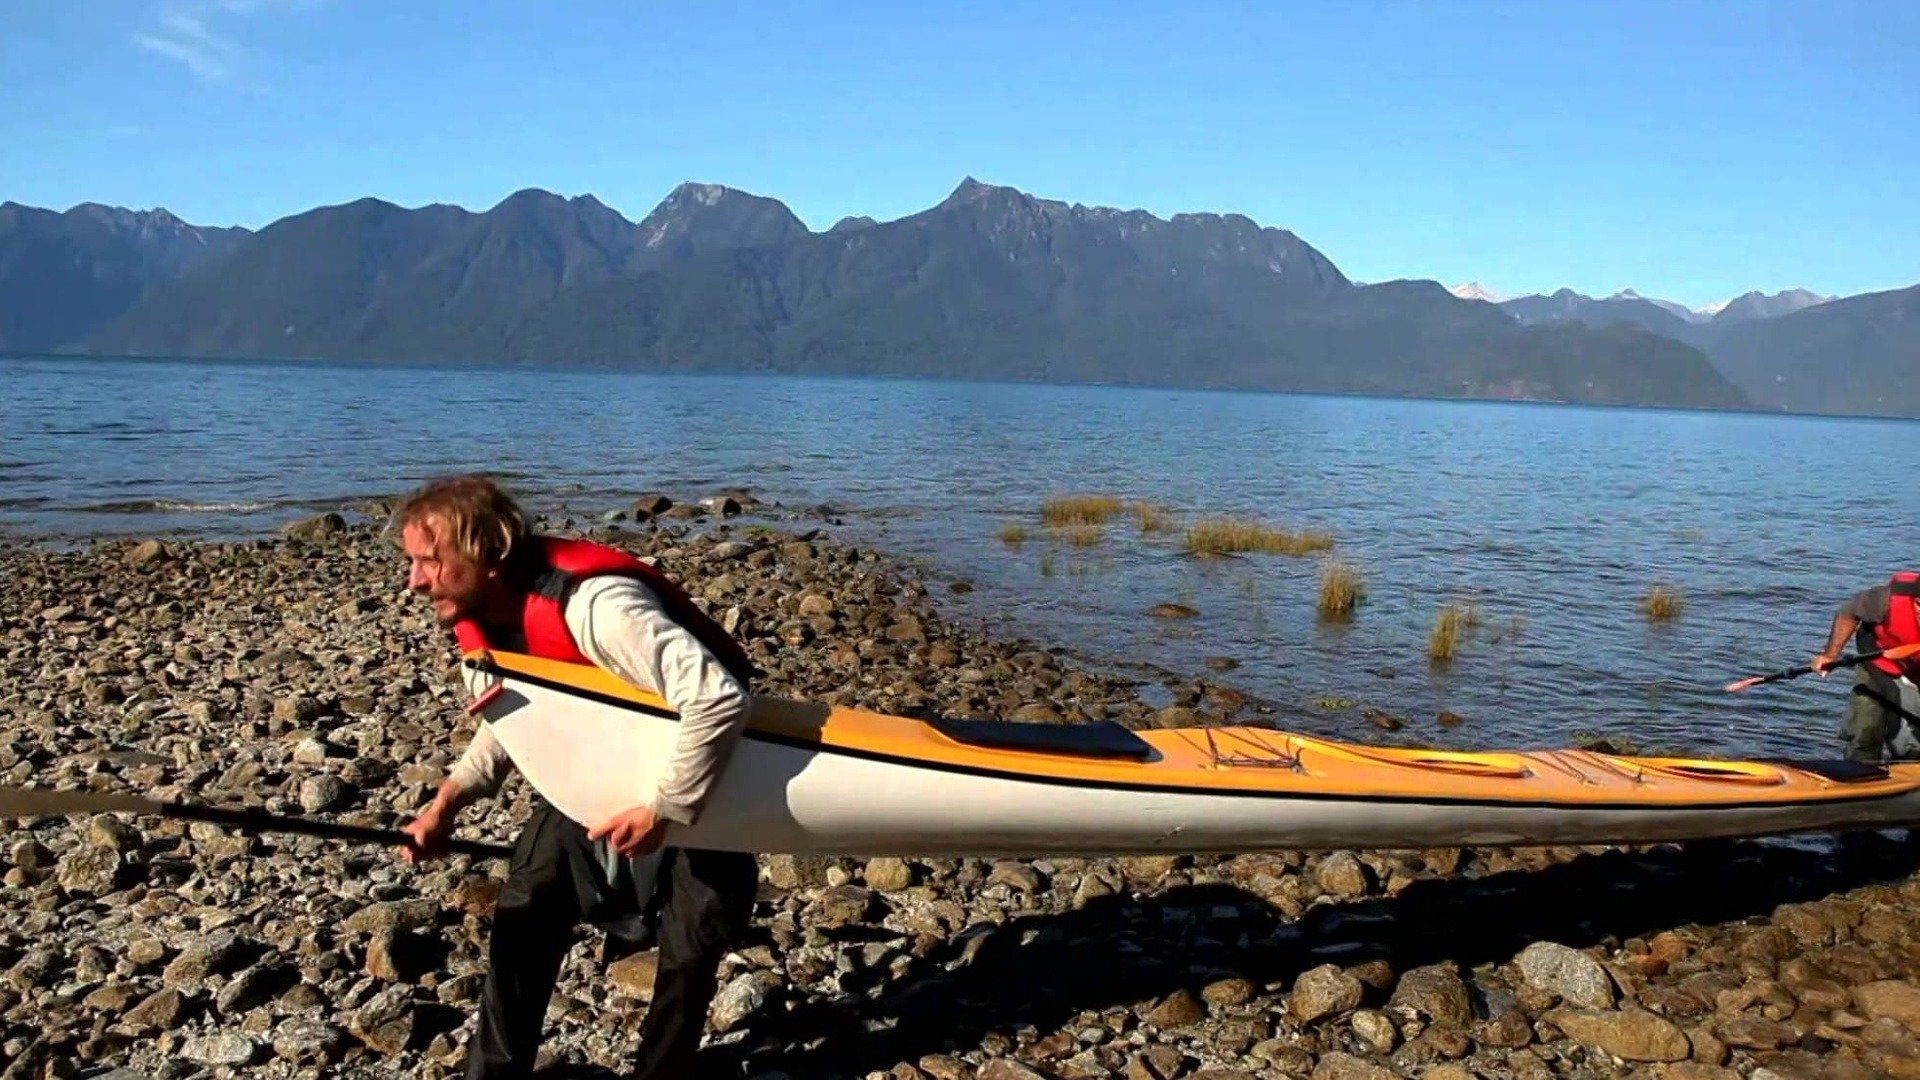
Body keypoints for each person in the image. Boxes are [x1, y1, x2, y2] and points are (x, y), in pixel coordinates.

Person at [393, 475, 761, 1079]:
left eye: (429, 562)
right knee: (526, 900)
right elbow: (514, 717)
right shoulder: (489, 622)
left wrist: (665, 808)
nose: (414, 581)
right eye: (412, 563)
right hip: (598, 779)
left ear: (489, 555)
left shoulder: (599, 607)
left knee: (695, 935)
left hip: (703, 776)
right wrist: (447, 802)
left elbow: (718, 698)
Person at [1814, 571, 1920, 763]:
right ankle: (1858, 772)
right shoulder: (1884, 600)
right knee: (1866, 726)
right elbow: (1848, 612)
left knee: (1910, 740)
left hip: (1916, 672)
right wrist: (1830, 655)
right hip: (1878, 661)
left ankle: (1909, 771)